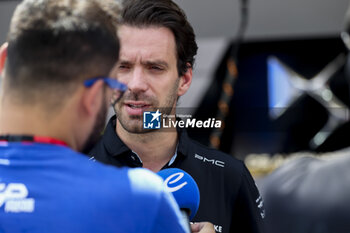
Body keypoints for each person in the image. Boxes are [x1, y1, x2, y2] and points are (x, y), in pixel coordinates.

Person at [0, 0, 202, 232]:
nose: (133, 86)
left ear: (4, 60)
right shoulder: (140, 200)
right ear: (94, 96)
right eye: (117, 76)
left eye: (154, 67)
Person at [89, 0, 265, 232]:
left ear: (184, 79)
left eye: (155, 68)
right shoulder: (68, 173)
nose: (136, 84)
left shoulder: (228, 176)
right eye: (123, 66)